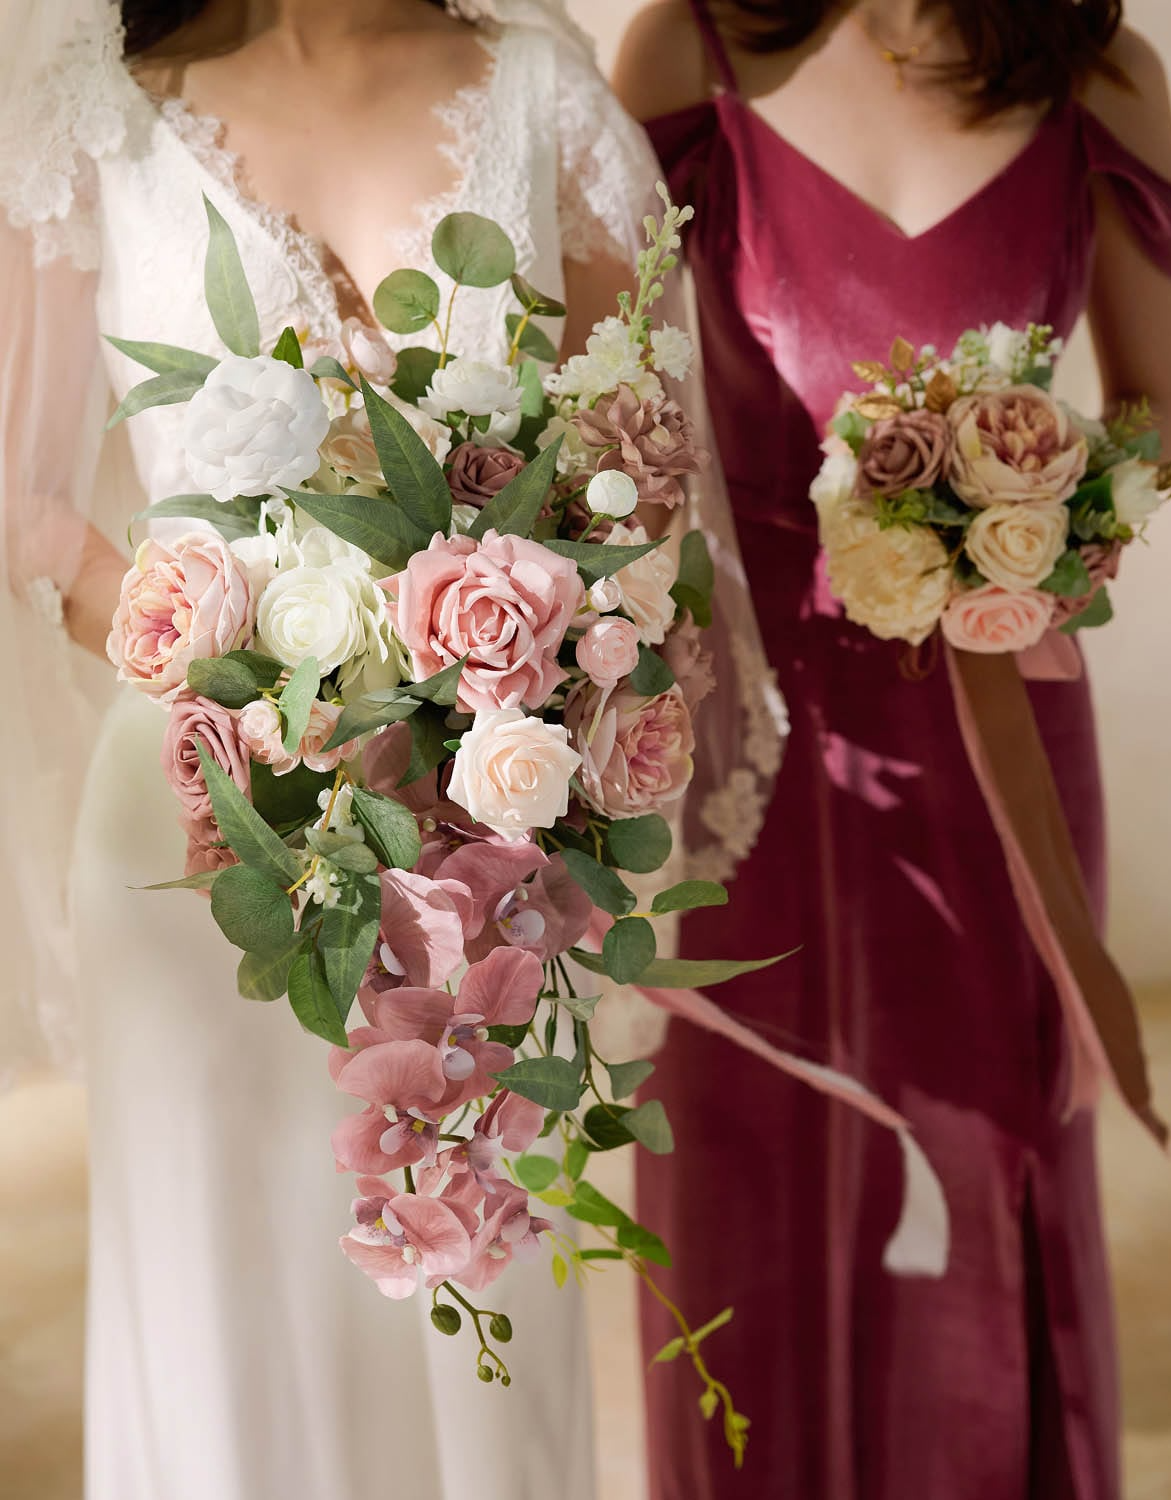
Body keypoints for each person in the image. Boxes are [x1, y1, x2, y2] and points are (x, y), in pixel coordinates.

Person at [0, 1, 661, 1495]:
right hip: (198, 826)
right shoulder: (98, 108)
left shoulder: (537, 88)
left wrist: (486, 681)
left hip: (482, 817)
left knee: (465, 1274)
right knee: (231, 1311)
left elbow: (641, 456)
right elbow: (23, 502)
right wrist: (257, 673)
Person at [613, 2, 1171, 1496]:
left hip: (996, 703)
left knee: (990, 1136)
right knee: (755, 1150)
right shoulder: (690, 53)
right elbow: (618, 404)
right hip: (756, 720)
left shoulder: (1101, 78)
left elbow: (1149, 417)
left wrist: (1030, 536)